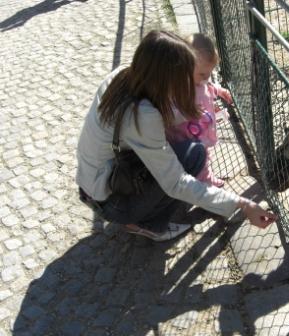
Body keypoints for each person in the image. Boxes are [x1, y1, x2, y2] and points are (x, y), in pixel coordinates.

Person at [76, 30, 276, 242]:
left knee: (192, 151)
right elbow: (176, 182)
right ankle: (146, 223)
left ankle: (142, 211)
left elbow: (158, 121)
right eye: (183, 77)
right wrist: (242, 204)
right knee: (191, 157)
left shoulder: (123, 75)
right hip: (112, 202)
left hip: (93, 183)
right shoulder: (143, 115)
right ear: (166, 77)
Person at [165, 33, 231, 188]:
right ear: (185, 66)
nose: (206, 77)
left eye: (209, 73)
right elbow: (169, 112)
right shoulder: (178, 87)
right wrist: (186, 111)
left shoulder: (200, 79)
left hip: (201, 128)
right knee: (201, 156)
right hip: (187, 134)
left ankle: (205, 175)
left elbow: (208, 86)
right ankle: (205, 182)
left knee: (206, 154)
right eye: (202, 74)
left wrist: (219, 91)